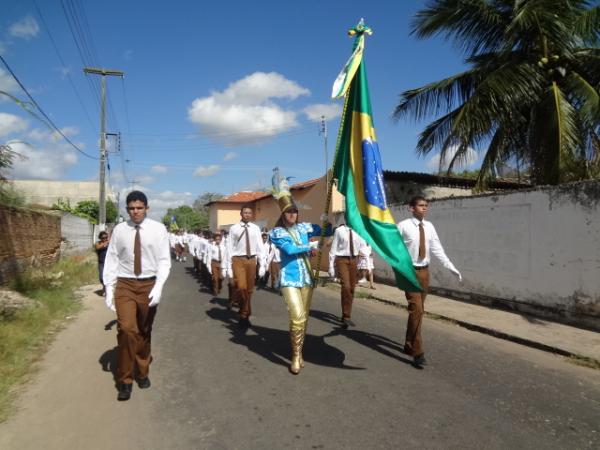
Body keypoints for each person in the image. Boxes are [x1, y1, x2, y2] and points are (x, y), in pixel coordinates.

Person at [103, 190, 171, 401]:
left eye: (139, 207)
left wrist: (159, 285)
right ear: (127, 210)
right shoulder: (120, 230)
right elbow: (112, 258)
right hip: (125, 284)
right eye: (131, 208)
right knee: (126, 330)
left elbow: (163, 260)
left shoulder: (158, 229)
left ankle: (142, 371)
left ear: (147, 208)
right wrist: (108, 287)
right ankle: (125, 380)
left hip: (149, 284)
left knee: (143, 330)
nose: (135, 211)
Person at [397, 196, 462, 367]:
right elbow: (394, 248)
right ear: (411, 208)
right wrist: (398, 268)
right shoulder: (403, 226)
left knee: (418, 311)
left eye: (426, 205)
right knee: (417, 309)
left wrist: (450, 266)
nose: (424, 208)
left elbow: (437, 248)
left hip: (424, 272)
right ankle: (417, 352)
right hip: (409, 272)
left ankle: (409, 344)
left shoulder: (430, 227)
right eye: (420, 205)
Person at [269, 192, 329, 374]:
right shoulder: (277, 232)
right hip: (289, 278)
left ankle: (299, 352)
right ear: (283, 214)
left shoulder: (305, 227)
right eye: (288, 212)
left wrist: (327, 222)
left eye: (295, 211)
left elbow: (327, 231)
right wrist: (311, 246)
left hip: (307, 278)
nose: (292, 215)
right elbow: (290, 249)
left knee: (304, 317)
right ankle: (295, 356)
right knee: (297, 316)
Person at [226, 205, 265, 327]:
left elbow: (260, 246)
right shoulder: (234, 228)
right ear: (241, 214)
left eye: (249, 212)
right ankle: (244, 314)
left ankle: (245, 312)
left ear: (252, 214)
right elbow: (229, 247)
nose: (247, 214)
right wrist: (227, 266)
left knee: (249, 290)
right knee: (241, 287)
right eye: (245, 212)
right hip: (238, 259)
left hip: (252, 260)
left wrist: (262, 263)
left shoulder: (255, 228)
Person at [329, 224, 364, 328]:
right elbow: (333, 249)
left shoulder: (359, 229)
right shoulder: (339, 230)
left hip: (354, 260)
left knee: (352, 288)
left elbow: (362, 246)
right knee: (346, 286)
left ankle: (346, 316)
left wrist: (364, 259)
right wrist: (331, 266)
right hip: (342, 260)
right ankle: (346, 316)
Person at [206, 232, 227, 297]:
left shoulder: (224, 247)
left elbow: (225, 257)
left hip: (221, 264)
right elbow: (209, 256)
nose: (218, 240)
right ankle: (215, 290)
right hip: (214, 263)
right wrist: (208, 266)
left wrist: (226, 266)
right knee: (215, 278)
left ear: (221, 240)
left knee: (221, 278)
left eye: (219, 239)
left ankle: (219, 287)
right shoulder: (212, 247)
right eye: (216, 239)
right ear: (214, 240)